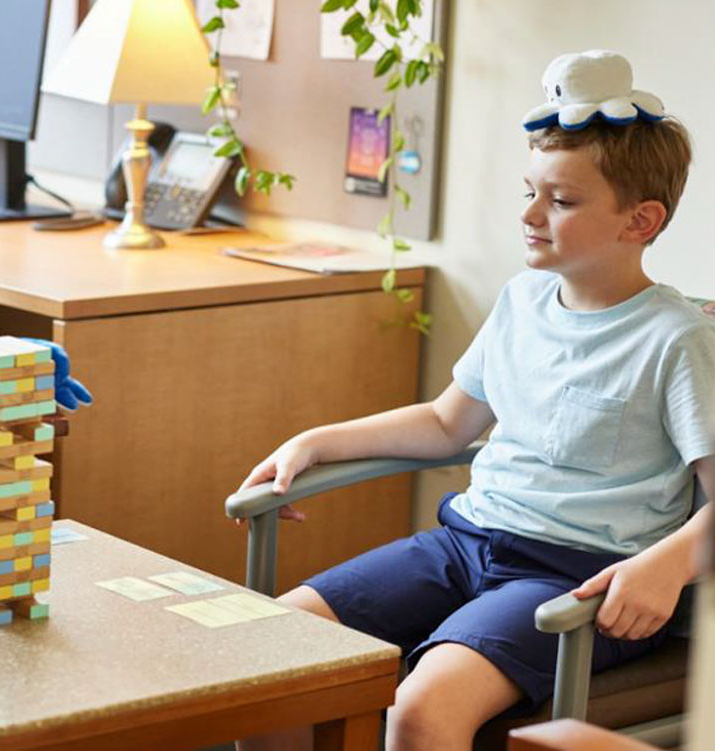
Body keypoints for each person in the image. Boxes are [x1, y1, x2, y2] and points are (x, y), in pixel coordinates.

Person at [235, 51, 714, 751]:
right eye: (530, 191)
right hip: (466, 541)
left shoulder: (677, 339)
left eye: (561, 201)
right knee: (270, 652)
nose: (529, 214)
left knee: (420, 710)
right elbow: (445, 422)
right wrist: (313, 442)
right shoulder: (522, 301)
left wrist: (666, 565)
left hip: (575, 577)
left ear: (639, 221)